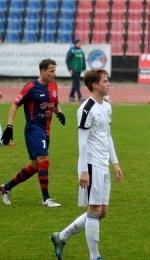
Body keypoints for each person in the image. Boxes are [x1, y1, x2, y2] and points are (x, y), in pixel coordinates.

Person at [51, 69, 122, 260]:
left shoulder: (107, 107)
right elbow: (82, 141)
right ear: (95, 85)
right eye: (105, 81)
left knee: (102, 213)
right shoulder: (85, 109)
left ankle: (61, 236)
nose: (109, 84)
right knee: (93, 211)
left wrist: (114, 162)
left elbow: (107, 136)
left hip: (103, 164)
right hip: (90, 165)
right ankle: (94, 256)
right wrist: (83, 170)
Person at [0, 58, 65, 207]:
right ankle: (46, 199)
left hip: (46, 131)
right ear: (42, 71)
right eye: (51, 71)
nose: (55, 74)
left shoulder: (53, 85)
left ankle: (5, 188)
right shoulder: (31, 87)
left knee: (34, 166)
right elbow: (14, 105)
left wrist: (60, 113)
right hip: (34, 130)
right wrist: (9, 127)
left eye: (55, 70)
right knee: (44, 160)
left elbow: (55, 103)